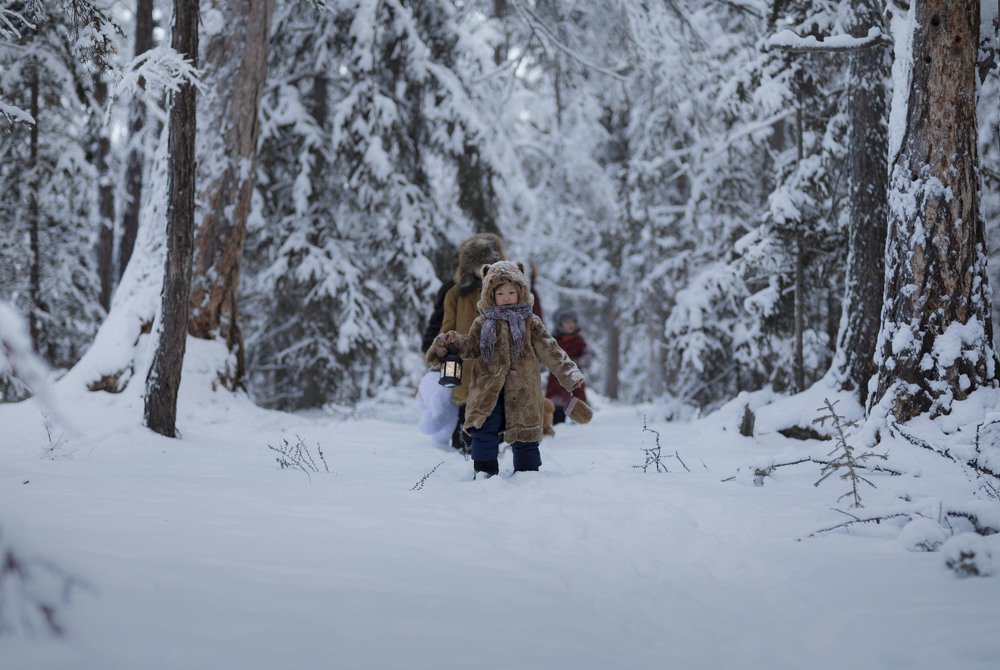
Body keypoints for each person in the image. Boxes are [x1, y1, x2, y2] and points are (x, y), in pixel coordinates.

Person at [426, 261, 584, 478]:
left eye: (512, 291)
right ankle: (484, 470)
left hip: (523, 389)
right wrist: (452, 342)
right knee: (484, 428)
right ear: (491, 295)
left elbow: (550, 349)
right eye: (500, 292)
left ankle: (527, 473)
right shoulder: (483, 323)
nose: (507, 296)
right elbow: (471, 346)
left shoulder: (531, 322)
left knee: (525, 431)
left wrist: (568, 373)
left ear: (521, 292)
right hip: (488, 388)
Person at [436, 233, 507, 453]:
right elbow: (448, 325)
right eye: (477, 264)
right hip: (465, 361)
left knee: (495, 403)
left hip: (496, 358)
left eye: (487, 263)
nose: (482, 268)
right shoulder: (456, 294)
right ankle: (464, 444)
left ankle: (495, 444)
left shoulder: (502, 291)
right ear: (469, 266)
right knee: (467, 403)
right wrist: (446, 347)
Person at [546, 307, 591, 425]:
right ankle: (557, 423)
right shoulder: (554, 341)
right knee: (558, 406)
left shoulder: (579, 340)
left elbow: (586, 356)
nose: (570, 325)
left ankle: (577, 425)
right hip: (557, 379)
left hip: (575, 378)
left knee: (576, 403)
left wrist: (578, 362)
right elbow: (548, 356)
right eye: (566, 322)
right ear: (560, 324)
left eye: (572, 322)